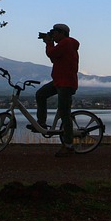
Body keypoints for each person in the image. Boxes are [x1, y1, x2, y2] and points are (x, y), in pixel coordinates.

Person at [34, 23, 80, 156]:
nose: (53, 35)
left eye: (54, 32)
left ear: (62, 33)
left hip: (66, 83)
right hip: (59, 81)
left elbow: (51, 53)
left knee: (65, 114)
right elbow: (54, 58)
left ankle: (69, 146)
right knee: (41, 94)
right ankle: (41, 123)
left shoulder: (66, 43)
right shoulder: (65, 45)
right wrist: (49, 43)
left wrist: (48, 43)